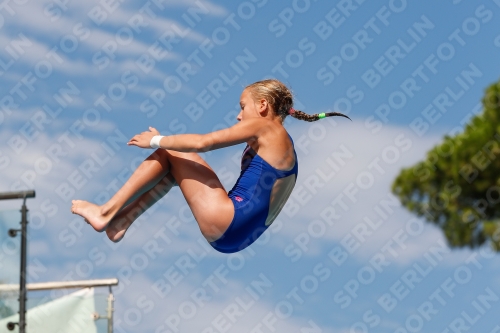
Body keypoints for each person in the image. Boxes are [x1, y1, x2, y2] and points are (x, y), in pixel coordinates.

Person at [71, 79, 350, 253]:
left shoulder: (266, 128)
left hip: (228, 218)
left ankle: (106, 212)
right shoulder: (285, 148)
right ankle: (122, 220)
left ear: (263, 106)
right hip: (236, 238)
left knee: (171, 150)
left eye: (243, 106)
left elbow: (204, 142)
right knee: (175, 164)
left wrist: (156, 140)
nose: (239, 116)